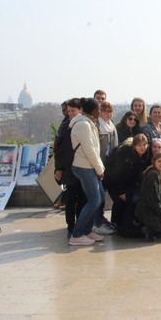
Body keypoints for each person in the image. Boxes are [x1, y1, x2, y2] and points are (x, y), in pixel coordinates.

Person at [68, 97, 107, 246]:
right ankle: (77, 234)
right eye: (98, 109)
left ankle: (86, 230)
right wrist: (100, 169)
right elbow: (89, 150)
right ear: (92, 110)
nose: (100, 111)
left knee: (99, 198)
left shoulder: (88, 123)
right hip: (84, 166)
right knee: (95, 200)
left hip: (90, 166)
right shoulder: (83, 125)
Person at [53, 98, 86, 238]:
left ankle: (79, 225)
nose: (71, 113)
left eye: (73, 110)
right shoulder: (66, 125)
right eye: (69, 111)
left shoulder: (78, 123)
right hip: (70, 167)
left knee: (81, 199)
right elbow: (59, 149)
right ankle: (72, 227)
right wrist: (59, 168)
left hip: (79, 166)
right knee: (72, 199)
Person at [103, 133, 149, 228]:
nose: (142, 147)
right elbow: (115, 175)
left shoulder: (144, 156)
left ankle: (122, 224)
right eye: (139, 145)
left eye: (144, 145)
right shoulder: (126, 155)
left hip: (126, 182)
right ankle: (115, 224)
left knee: (127, 201)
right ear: (134, 146)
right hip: (113, 182)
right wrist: (120, 192)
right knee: (119, 202)